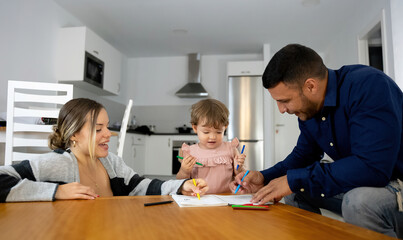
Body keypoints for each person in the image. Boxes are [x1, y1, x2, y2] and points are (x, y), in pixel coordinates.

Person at [230, 44, 403, 237]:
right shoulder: (310, 111)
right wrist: (264, 177)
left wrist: (294, 179)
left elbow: (372, 168)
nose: (281, 109)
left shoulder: (369, 85)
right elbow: (303, 156)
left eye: (285, 100)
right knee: (296, 189)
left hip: (396, 184)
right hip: (370, 181)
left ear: (311, 86)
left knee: (359, 202)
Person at [0, 98, 208, 202]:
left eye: (107, 127)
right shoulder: (58, 163)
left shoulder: (112, 163)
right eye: (98, 129)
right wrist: (56, 191)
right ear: (73, 134)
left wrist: (182, 186)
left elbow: (141, 186)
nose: (108, 134)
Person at [176, 99, 246, 193]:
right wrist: (184, 171)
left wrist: (239, 168)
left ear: (225, 127)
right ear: (195, 128)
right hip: (199, 200)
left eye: (218, 132)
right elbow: (180, 183)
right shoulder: (189, 152)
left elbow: (241, 178)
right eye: (206, 132)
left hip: (226, 199)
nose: (212, 137)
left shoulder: (231, 149)